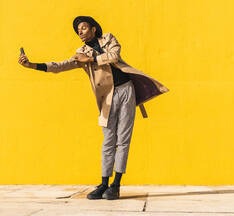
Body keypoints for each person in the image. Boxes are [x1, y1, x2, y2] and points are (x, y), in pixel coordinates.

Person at [18, 16, 169, 200]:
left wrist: (90, 58)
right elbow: (60, 66)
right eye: (78, 30)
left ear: (93, 29)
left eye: (83, 28)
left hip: (126, 90)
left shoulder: (108, 39)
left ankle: (116, 185)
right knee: (108, 141)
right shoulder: (80, 52)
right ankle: (104, 183)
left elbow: (115, 56)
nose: (80, 32)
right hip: (106, 97)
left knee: (123, 139)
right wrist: (32, 65)